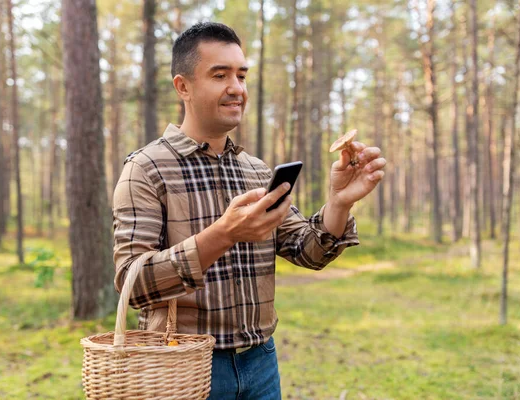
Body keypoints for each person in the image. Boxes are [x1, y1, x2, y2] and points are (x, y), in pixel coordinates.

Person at [112, 22, 386, 400]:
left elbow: (308, 251)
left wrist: (340, 201)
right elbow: (132, 283)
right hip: (182, 366)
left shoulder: (255, 170)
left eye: (241, 75)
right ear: (183, 86)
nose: (236, 88)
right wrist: (223, 234)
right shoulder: (146, 169)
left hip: (260, 364)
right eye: (219, 75)